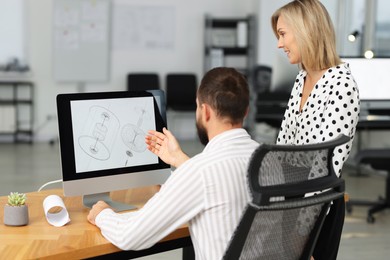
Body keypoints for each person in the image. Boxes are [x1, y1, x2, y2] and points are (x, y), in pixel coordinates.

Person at [87, 67, 260, 260]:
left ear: (206, 112)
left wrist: (103, 214)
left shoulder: (199, 173)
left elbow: (129, 236)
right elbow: (222, 181)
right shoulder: (271, 160)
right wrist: (178, 158)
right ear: (246, 111)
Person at [271, 0, 360, 259]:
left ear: (305, 30)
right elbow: (284, 147)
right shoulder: (302, 77)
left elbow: (324, 171)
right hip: (291, 198)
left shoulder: (341, 85)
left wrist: (301, 235)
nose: (279, 44)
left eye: (283, 34)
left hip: (316, 207)